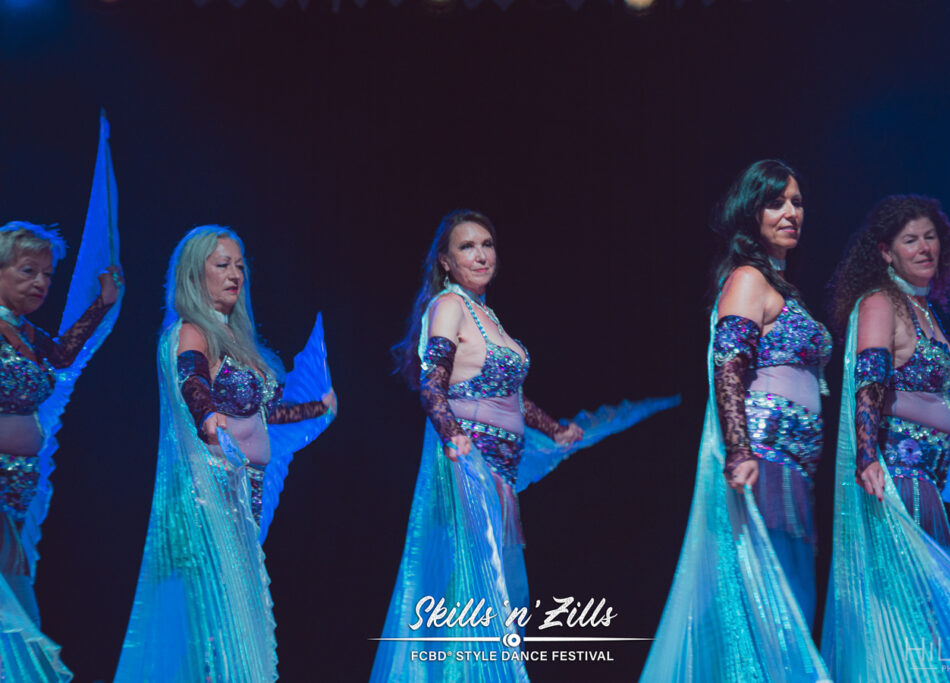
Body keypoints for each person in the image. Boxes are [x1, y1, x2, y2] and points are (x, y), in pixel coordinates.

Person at [373, 209, 678, 682]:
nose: (481, 255)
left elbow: (511, 397)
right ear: (445, 261)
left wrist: (555, 429)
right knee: (473, 587)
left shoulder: (487, 314)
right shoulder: (449, 305)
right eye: (467, 246)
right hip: (468, 465)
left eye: (487, 244)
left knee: (489, 592)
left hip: (500, 473)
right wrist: (454, 438)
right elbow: (432, 385)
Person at [116, 225, 335, 682]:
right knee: (211, 612)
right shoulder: (192, 330)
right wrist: (206, 415)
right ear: (195, 275)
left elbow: (264, 412)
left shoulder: (234, 338)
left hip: (243, 494)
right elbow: (191, 378)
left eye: (239, 265)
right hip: (208, 495)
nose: (235, 273)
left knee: (231, 611)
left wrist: (319, 407)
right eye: (222, 265)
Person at [641, 160, 830, 682]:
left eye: (797, 202)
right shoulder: (748, 279)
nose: (790, 213)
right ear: (751, 213)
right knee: (769, 604)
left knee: (791, 599)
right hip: (764, 462)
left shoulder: (783, 288)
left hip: (795, 469)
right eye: (776, 202)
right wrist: (741, 450)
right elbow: (728, 368)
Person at [823, 195, 950, 680]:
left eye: (931, 237)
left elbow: (919, 391)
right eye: (911, 240)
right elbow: (869, 380)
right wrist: (866, 455)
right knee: (913, 608)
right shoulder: (881, 302)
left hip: (927, 479)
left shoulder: (923, 309)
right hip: (899, 481)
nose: (925, 247)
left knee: (929, 612)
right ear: (886, 252)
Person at [0, 221, 121, 680]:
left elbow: (63, 355)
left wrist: (102, 303)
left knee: (12, 610)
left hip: (16, 497)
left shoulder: (27, 334)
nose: (41, 283)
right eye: (28, 270)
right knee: (16, 613)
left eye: (48, 275)